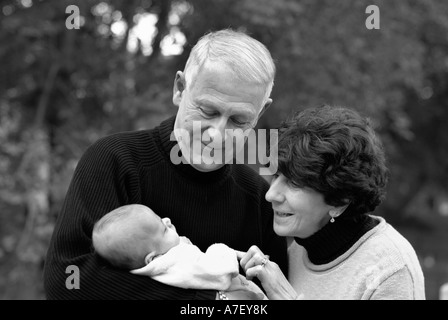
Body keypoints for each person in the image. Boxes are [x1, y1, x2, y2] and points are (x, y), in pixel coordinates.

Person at [43, 28, 287, 299]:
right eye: (208, 111)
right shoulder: (114, 161)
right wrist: (209, 302)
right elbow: (68, 279)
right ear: (179, 89)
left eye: (239, 120)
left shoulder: (258, 198)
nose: (217, 134)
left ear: (261, 112)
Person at [238, 105, 426, 300]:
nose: (271, 195)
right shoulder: (299, 245)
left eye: (293, 183)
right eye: (276, 175)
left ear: (339, 201)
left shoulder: (390, 271)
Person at [91, 204, 266, 299]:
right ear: (153, 257)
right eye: (163, 229)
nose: (167, 220)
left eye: (161, 218)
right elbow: (218, 273)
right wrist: (223, 250)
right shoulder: (174, 262)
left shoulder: (155, 266)